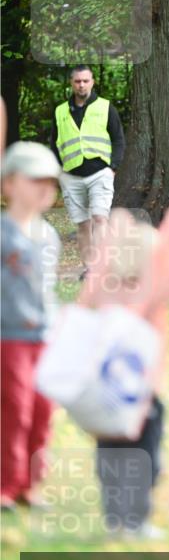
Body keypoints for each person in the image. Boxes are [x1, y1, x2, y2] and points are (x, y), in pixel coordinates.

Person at [38, 204, 169, 539]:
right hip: (143, 391)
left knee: (113, 456)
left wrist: (114, 238)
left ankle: (119, 518)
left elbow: (91, 290)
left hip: (107, 391)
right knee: (145, 457)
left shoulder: (110, 287)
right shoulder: (149, 291)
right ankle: (133, 520)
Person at [1, 142, 61, 512]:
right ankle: (6, 483)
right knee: (14, 409)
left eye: (50, 181)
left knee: (42, 410)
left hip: (44, 338)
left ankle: (30, 485)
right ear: (8, 185)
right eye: (34, 179)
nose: (44, 188)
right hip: (9, 338)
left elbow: (47, 288)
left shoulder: (49, 236)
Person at [50, 64, 125, 274]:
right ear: (71, 83)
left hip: (100, 173)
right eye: (77, 81)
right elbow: (54, 143)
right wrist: (58, 172)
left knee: (100, 218)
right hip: (71, 176)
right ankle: (89, 269)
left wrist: (113, 168)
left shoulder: (105, 107)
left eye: (85, 81)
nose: (81, 85)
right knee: (83, 225)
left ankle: (101, 268)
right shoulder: (60, 111)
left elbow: (119, 139)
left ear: (92, 82)